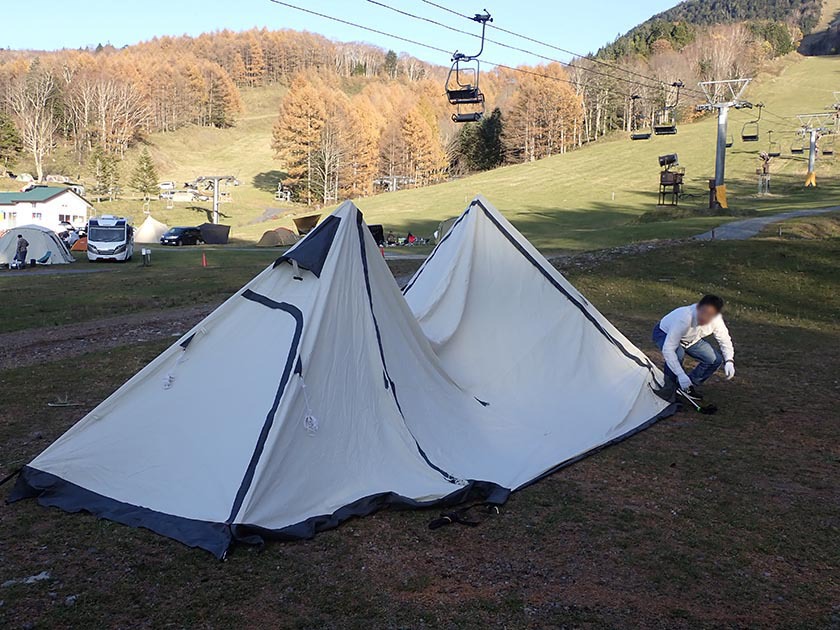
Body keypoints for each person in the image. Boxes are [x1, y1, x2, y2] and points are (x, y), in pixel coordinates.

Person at [653, 294, 735, 395]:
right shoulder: (684, 318)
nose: (704, 316)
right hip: (664, 333)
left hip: (691, 339)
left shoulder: (717, 321)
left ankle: (688, 386)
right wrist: (681, 374)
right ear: (698, 307)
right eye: (703, 312)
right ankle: (668, 389)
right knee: (677, 354)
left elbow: (725, 340)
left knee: (714, 360)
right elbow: (668, 349)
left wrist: (729, 360)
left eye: (709, 314)